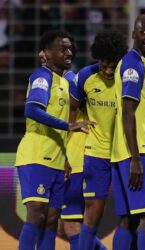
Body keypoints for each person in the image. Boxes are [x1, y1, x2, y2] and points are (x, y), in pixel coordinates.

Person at [15, 30, 95, 250]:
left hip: (58, 160)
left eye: (70, 48)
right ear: (46, 54)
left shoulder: (63, 82)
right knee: (36, 216)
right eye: (62, 48)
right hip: (36, 155)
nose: (68, 52)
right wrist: (68, 125)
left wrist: (66, 158)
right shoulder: (42, 77)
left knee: (51, 220)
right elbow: (32, 110)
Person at [71, 30, 128, 250]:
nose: (107, 70)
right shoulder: (85, 76)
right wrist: (73, 131)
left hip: (124, 152)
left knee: (129, 213)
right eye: (103, 65)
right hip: (96, 152)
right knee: (93, 209)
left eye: (112, 66)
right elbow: (72, 108)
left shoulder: (129, 79)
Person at [110, 14, 145, 250]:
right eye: (144, 31)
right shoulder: (133, 64)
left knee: (128, 220)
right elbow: (128, 111)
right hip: (140, 152)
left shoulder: (143, 64)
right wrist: (136, 158)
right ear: (133, 34)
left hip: (126, 153)